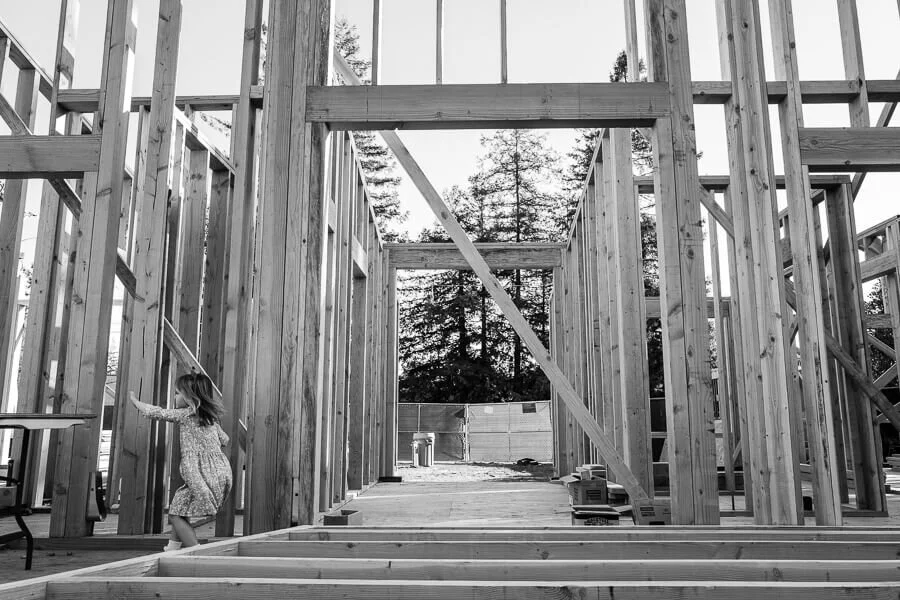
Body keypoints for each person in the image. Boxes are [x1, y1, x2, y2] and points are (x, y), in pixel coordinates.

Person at [129, 372, 232, 551]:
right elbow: (225, 439)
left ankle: (198, 552)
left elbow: (158, 413)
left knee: (176, 513)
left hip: (199, 474)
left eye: (177, 393)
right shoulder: (211, 419)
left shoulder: (185, 415)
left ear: (189, 397)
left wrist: (135, 401)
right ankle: (172, 548)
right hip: (221, 471)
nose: (174, 396)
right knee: (179, 507)